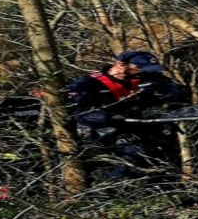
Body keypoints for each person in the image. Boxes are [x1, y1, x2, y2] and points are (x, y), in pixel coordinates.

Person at [68, 50, 190, 178]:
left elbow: (178, 91)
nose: (143, 71)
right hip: (105, 130)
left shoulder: (147, 77)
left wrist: (163, 105)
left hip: (141, 124)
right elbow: (80, 113)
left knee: (166, 152)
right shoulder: (87, 84)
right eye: (138, 68)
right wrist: (110, 117)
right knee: (133, 154)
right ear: (121, 65)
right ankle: (115, 187)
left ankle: (168, 187)